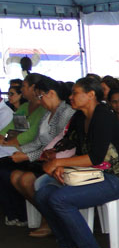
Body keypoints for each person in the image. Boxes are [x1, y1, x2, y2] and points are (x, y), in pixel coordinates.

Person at [33, 76, 119, 248]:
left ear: (91, 95)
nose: (70, 97)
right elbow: (75, 147)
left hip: (117, 179)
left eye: (75, 93)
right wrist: (61, 164)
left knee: (60, 199)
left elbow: (95, 157)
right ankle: (68, 245)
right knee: (43, 194)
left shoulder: (103, 117)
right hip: (92, 174)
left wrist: (58, 163)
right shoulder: (80, 116)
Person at [0, 77, 74, 226]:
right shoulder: (30, 109)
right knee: (12, 174)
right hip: (36, 155)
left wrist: (21, 151)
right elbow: (15, 130)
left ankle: (46, 219)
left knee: (20, 176)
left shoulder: (62, 112)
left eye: (24, 86)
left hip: (53, 159)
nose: (22, 89)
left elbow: (32, 136)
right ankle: (42, 216)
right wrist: (6, 139)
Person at [0, 74, 47, 147]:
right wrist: (2, 136)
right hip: (18, 147)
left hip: (35, 149)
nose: (21, 89)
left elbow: (32, 134)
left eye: (23, 86)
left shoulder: (44, 108)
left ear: (32, 87)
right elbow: (13, 127)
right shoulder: (24, 107)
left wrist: (9, 141)